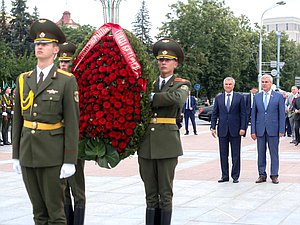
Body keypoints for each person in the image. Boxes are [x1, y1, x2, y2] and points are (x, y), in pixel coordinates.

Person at [12, 18, 80, 225]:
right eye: (37, 44)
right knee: (38, 212)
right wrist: (16, 154)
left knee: (55, 213)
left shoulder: (66, 81)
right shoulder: (24, 79)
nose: (40, 47)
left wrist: (70, 159)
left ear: (56, 50)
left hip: (52, 154)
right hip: (28, 152)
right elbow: (17, 120)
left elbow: (72, 123)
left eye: (45, 44)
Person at [138, 38, 190, 225]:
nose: (163, 63)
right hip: (146, 144)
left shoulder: (181, 83)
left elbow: (177, 99)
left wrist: (151, 97)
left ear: (175, 63)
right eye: (160, 59)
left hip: (167, 144)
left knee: (165, 193)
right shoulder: (148, 83)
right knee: (150, 194)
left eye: (168, 60)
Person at [59, 41, 86, 225]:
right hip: (56, 142)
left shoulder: (78, 84)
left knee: (77, 189)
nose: (63, 65)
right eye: (61, 62)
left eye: (67, 62)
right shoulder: (54, 83)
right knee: (62, 190)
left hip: (74, 142)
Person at [210, 77, 247, 183]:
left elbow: (243, 114)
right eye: (226, 84)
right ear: (223, 85)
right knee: (223, 154)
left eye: (230, 84)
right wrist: (212, 127)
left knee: (236, 154)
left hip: (236, 130)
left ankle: (235, 176)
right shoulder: (219, 98)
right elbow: (215, 113)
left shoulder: (239, 97)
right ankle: (224, 175)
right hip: (222, 130)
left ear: (233, 85)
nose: (228, 86)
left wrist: (243, 128)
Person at [251, 74, 285, 184]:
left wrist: (281, 129)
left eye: (266, 82)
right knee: (261, 153)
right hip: (260, 129)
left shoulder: (278, 97)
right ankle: (262, 174)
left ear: (271, 83)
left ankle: (274, 175)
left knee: (274, 153)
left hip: (274, 130)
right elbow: (254, 115)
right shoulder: (257, 97)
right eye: (263, 82)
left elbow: (281, 114)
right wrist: (253, 131)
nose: (264, 84)